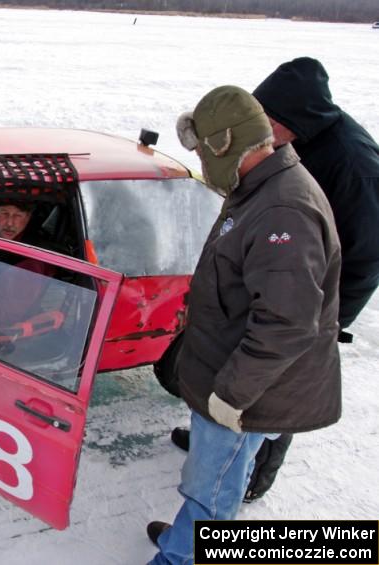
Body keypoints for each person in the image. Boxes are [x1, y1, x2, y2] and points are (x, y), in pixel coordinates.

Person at [147, 85, 341, 564]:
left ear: (225, 144)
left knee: (211, 492)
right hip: (231, 371)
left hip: (246, 390)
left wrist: (232, 394)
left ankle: (182, 557)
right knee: (211, 481)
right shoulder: (261, 185)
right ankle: (185, 542)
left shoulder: (283, 211)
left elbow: (287, 324)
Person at [171, 57, 379, 502]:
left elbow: (365, 253)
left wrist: (329, 316)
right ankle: (224, 455)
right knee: (239, 412)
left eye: (265, 121)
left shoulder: (352, 165)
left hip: (306, 297)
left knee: (272, 399)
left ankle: (250, 479)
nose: (258, 130)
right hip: (280, 285)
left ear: (289, 123)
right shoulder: (271, 163)